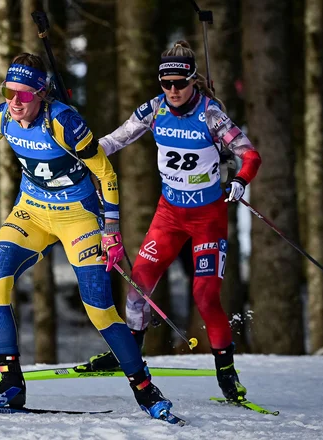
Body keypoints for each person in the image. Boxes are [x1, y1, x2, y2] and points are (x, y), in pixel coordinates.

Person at [0, 53, 178, 421]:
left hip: (79, 218)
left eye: (23, 94)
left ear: (42, 93)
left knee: (99, 309)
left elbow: (106, 173)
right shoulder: (3, 118)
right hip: (32, 212)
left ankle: (145, 389)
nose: (15, 101)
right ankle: (11, 385)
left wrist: (112, 230)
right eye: (9, 92)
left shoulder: (64, 121)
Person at [79, 41, 262, 403]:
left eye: (180, 82)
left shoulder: (212, 115)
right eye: (166, 84)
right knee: (138, 286)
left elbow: (250, 154)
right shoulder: (154, 109)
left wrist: (240, 181)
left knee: (204, 296)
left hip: (207, 217)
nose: (174, 91)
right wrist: (79, 152)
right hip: (169, 214)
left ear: (193, 79)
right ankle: (131, 356)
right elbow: (115, 140)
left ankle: (227, 374)